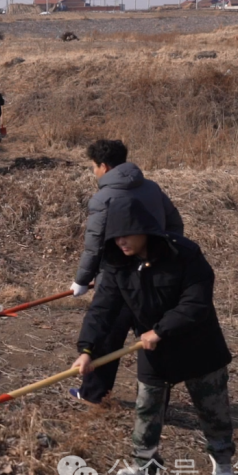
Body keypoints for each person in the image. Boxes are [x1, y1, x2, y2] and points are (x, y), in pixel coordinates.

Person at [72, 196, 235, 475]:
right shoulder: (117, 263)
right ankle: (145, 465)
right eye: (115, 236)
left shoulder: (184, 254)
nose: (121, 241)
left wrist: (161, 330)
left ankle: (221, 457)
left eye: (126, 234)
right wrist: (87, 349)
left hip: (198, 344)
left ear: (145, 229)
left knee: (213, 407)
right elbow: (102, 310)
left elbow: (196, 302)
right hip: (154, 349)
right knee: (147, 407)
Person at [69, 139, 184, 405]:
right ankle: (156, 402)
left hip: (118, 275)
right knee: (153, 337)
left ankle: (95, 394)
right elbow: (175, 223)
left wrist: (81, 280)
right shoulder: (151, 188)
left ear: (104, 166)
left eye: (94, 167)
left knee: (107, 333)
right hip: (154, 275)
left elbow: (95, 244)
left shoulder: (103, 198)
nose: (94, 172)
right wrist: (163, 256)